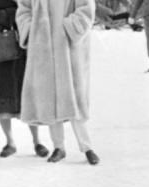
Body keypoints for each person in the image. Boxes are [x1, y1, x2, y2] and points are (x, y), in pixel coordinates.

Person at [17, 0, 100, 165]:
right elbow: (23, 9)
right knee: (49, 97)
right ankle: (59, 147)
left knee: (74, 98)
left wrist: (67, 28)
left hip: (68, 47)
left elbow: (86, 9)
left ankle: (87, 146)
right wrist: (32, 28)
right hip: (42, 46)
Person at [0, 0, 47, 157]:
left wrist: (10, 15)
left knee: (25, 88)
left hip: (19, 36)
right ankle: (10, 141)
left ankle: (37, 141)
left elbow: (32, 7)